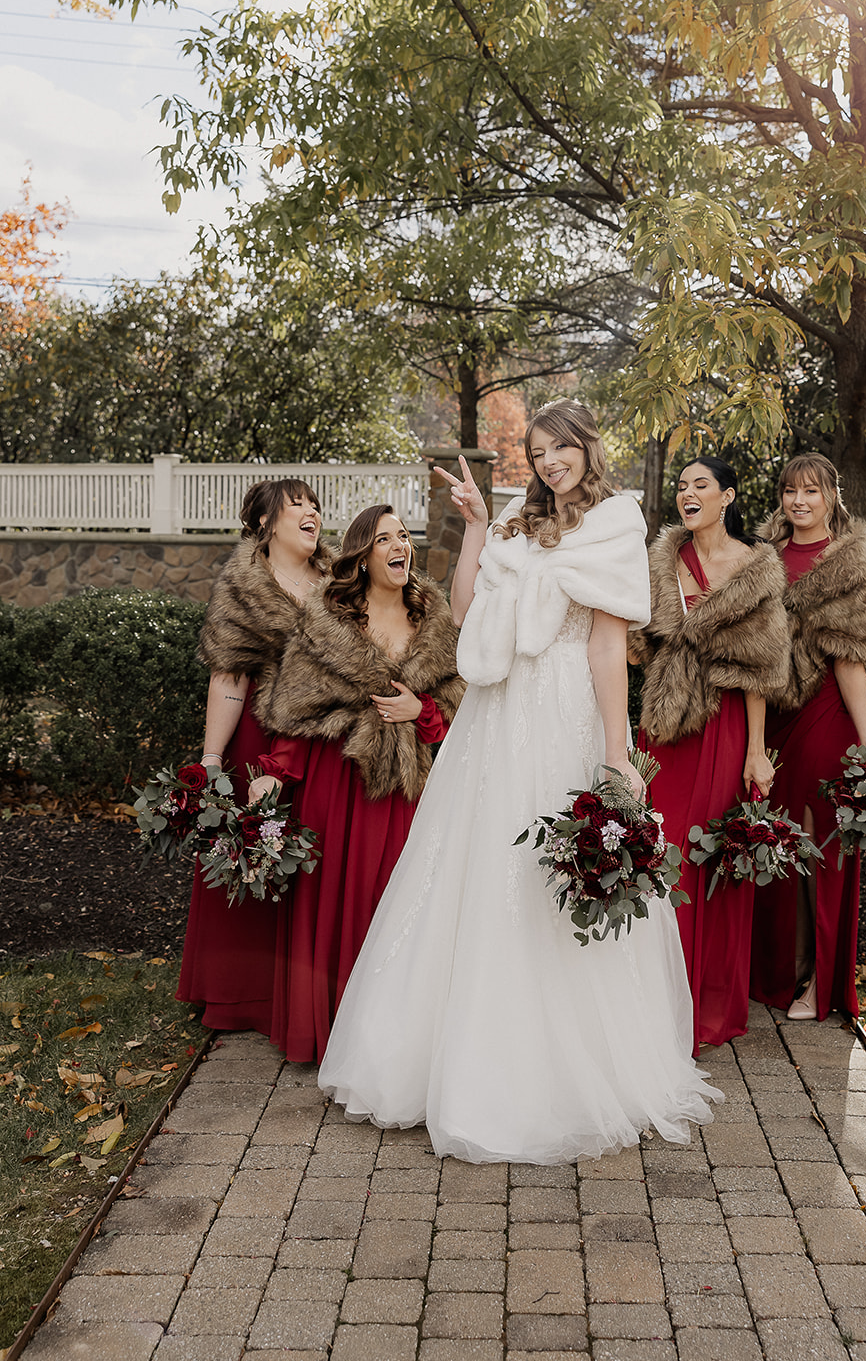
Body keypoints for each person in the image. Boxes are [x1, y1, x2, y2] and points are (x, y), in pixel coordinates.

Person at [318, 399, 721, 1163]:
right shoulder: (512, 521)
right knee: (473, 870)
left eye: (559, 447)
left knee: (552, 876)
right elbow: (467, 612)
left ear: (584, 448)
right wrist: (475, 524)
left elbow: (607, 649)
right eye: (537, 451)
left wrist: (614, 749)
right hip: (495, 718)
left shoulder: (612, 525)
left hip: (564, 712)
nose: (548, 462)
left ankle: (567, 1072)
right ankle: (445, 1062)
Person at [248, 505, 464, 1064]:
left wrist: (422, 709)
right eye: (385, 538)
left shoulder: (434, 625)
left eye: (405, 537)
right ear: (363, 556)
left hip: (410, 789)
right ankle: (334, 1031)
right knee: (338, 901)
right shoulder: (326, 623)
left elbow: (458, 712)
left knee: (399, 900)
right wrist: (274, 775)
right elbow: (297, 705)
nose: (401, 547)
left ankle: (391, 1042)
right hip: (338, 780)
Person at [633, 456, 789, 1051]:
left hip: (723, 727)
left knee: (707, 858)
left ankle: (703, 1005)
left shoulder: (754, 569)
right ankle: (651, 999)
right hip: (665, 726)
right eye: (681, 486)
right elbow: (636, 644)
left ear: (727, 496)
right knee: (661, 850)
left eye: (701, 485)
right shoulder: (660, 561)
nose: (687, 494)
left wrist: (756, 752)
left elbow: (760, 672)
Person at [176, 478, 332, 1034]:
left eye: (315, 505)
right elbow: (228, 676)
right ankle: (239, 996)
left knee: (313, 866)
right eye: (298, 506)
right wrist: (213, 762)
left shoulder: (340, 580)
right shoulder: (244, 585)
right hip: (258, 741)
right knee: (250, 854)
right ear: (265, 524)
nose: (312, 513)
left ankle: (305, 992)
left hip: (325, 742)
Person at [748, 453, 866, 1022]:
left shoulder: (849, 562)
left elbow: (852, 663)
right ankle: (776, 971)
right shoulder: (763, 560)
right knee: (774, 839)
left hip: (824, 713)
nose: (799, 501)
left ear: (833, 495)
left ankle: (817, 983)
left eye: (811, 490)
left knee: (817, 844)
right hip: (773, 715)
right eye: (789, 491)